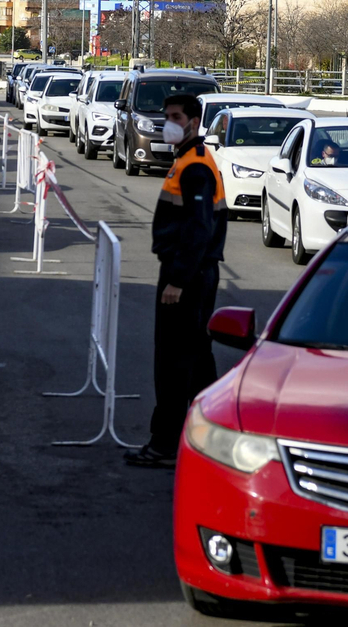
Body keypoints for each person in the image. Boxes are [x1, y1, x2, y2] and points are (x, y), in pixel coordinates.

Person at [125, 93, 227, 469]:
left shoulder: (195, 166)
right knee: (197, 362)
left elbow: (199, 230)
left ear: (194, 122)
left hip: (188, 276)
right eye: (166, 114)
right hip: (191, 273)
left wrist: (178, 280)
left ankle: (165, 444)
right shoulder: (186, 160)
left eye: (176, 116)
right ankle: (211, 439)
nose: (169, 121)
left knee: (174, 363)